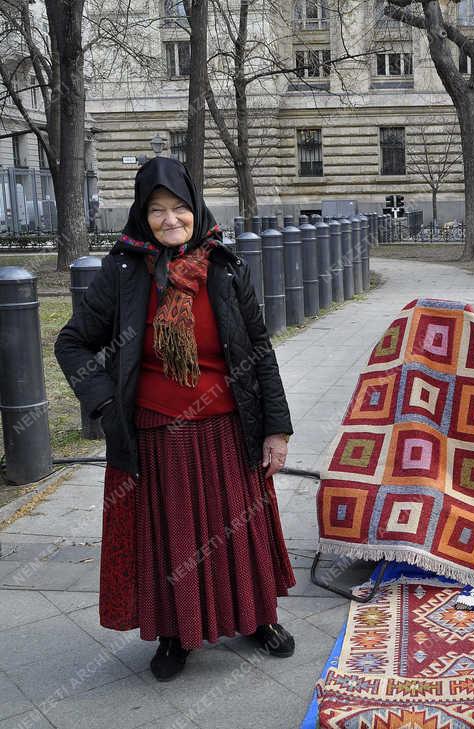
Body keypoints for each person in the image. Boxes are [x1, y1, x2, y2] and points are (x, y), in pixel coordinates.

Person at [55, 158, 296, 682]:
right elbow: (71, 342)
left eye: (179, 208)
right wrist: (102, 403)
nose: (170, 220)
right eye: (157, 211)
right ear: (142, 216)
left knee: (241, 532)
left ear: (195, 209)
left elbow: (259, 348)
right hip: (157, 434)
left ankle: (257, 617)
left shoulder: (224, 268)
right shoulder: (122, 272)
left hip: (231, 429)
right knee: (175, 538)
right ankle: (175, 633)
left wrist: (276, 427)